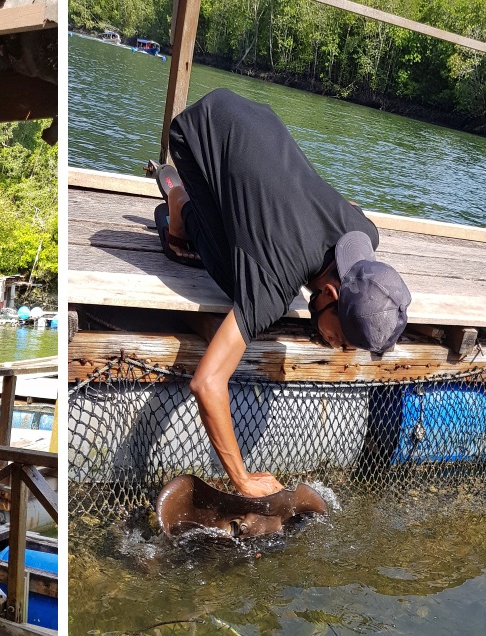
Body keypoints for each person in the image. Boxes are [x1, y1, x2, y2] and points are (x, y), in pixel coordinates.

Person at [154, 88, 413, 498]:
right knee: (232, 276)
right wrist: (242, 479)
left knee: (253, 249)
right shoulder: (271, 286)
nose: (337, 348)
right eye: (342, 339)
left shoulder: (364, 235)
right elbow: (206, 382)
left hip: (254, 117)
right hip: (198, 129)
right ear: (330, 290)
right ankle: (180, 207)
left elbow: (349, 202)